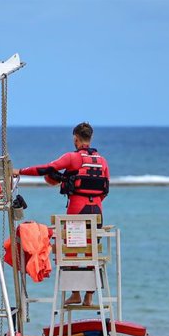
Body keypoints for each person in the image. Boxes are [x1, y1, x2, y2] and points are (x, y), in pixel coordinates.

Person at [13, 122, 110, 306]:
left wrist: (20, 171)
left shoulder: (72, 157)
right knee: (92, 254)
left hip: (77, 208)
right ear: (90, 138)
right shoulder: (103, 161)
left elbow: (47, 169)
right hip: (97, 211)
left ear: (75, 138)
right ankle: (89, 297)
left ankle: (75, 294)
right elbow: (105, 190)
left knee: (68, 251)